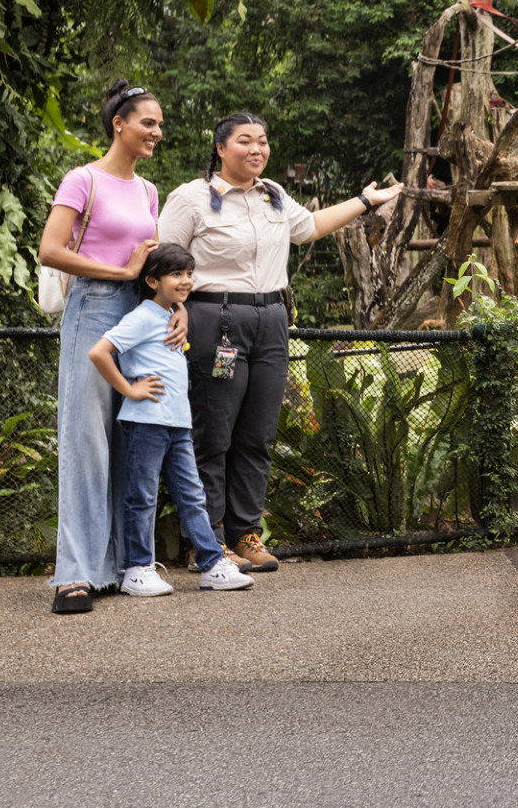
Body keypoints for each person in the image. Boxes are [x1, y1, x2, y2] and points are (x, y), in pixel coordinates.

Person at [158, 111, 403, 574]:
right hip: (215, 319)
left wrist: (364, 201)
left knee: (257, 433)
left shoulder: (273, 195)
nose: (257, 150)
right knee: (214, 433)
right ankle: (206, 542)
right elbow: (163, 258)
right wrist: (176, 307)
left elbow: (308, 227)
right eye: (245, 141)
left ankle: (246, 535)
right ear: (220, 148)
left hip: (271, 319)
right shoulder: (191, 198)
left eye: (263, 141)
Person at [39, 80, 185, 616]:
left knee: (133, 436)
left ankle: (124, 566)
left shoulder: (147, 191)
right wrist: (119, 271)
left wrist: (177, 304)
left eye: (160, 124)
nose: (156, 131)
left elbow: (153, 265)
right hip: (95, 307)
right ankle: (74, 574)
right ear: (119, 123)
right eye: (148, 122)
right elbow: (50, 250)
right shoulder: (83, 179)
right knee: (86, 440)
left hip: (142, 312)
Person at [87, 244, 254, 597]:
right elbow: (99, 352)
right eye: (176, 274)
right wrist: (129, 390)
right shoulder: (143, 317)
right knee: (142, 496)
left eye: (189, 274)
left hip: (177, 424)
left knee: (193, 496)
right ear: (151, 280)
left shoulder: (172, 317)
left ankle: (211, 565)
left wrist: (180, 307)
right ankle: (137, 569)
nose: (186, 281)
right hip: (145, 422)